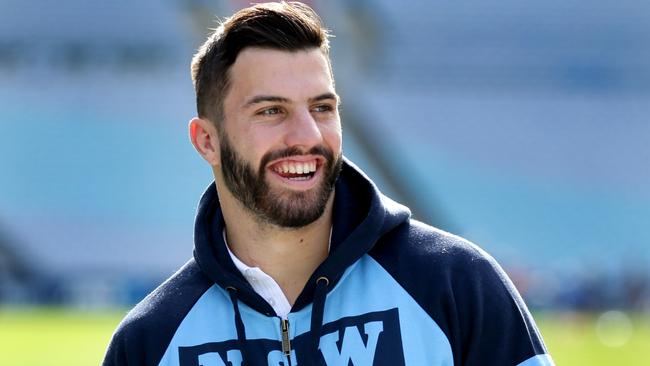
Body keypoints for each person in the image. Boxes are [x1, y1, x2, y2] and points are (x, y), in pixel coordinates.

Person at [103, 2, 554, 365]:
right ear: (207, 141)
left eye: (321, 108)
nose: (307, 136)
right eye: (270, 111)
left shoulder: (455, 284)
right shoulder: (151, 340)